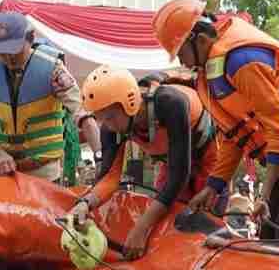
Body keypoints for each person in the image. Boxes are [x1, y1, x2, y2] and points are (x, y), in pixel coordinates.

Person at [153, 0, 279, 241]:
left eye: (181, 53)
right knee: (271, 249)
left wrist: (263, 196)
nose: (182, 62)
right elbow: (236, 135)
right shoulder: (213, 70)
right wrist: (213, 185)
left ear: (201, 40)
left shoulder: (242, 60)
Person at [70, 66, 225, 258]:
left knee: (206, 215)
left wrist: (141, 227)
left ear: (129, 103)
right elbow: (109, 177)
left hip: (208, 155)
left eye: (109, 117)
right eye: (101, 119)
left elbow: (179, 177)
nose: (108, 127)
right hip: (170, 161)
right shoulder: (111, 128)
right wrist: (85, 204)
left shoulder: (170, 103)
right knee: (166, 218)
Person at [0, 12, 101, 184]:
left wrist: (99, 156)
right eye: (2, 53)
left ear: (30, 39)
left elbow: (83, 115)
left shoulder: (54, 70)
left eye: (15, 50)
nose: (9, 58)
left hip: (43, 173)